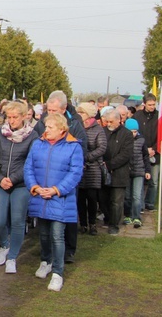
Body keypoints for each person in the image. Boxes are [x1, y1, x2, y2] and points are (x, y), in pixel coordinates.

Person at [24, 113, 83, 292]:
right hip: (40, 196)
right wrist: (35, 187)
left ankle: (58, 272)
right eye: (46, 126)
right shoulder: (37, 144)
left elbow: (75, 173)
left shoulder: (74, 147)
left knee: (57, 235)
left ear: (61, 130)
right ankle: (45, 261)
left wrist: (57, 189)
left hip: (60, 198)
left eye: (50, 127)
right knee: (43, 234)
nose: (46, 130)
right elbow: (28, 167)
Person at [33, 91, 87, 264]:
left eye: (55, 110)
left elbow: (81, 151)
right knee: (45, 217)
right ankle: (47, 252)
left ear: (63, 109)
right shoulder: (42, 124)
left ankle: (68, 250)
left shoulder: (75, 125)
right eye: (49, 110)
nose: (51, 114)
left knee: (67, 216)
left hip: (65, 180)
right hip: (45, 177)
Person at [0, 100, 39, 274]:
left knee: (18, 221)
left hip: (21, 184)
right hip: (0, 183)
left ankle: (12, 257)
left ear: (24, 116)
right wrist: (0, 178)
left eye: (15, 117)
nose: (11, 120)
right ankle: (4, 244)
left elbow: (31, 162)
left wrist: (13, 178)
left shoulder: (32, 136)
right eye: (9, 117)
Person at [101, 109, 134, 235]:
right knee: (103, 199)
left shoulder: (126, 134)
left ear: (118, 120)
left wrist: (110, 164)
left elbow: (126, 154)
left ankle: (114, 224)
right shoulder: (103, 131)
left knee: (116, 201)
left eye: (111, 121)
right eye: (107, 121)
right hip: (104, 172)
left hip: (119, 173)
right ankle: (107, 218)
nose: (108, 124)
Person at [75, 102, 107, 235]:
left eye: (82, 113)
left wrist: (87, 157)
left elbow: (102, 148)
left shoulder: (98, 129)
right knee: (81, 198)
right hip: (80, 168)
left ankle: (92, 223)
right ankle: (83, 224)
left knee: (92, 197)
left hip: (93, 168)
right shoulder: (78, 127)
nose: (79, 115)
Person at [133, 94, 159, 211]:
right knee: (141, 179)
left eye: (154, 104)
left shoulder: (159, 116)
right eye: (150, 105)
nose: (152, 107)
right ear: (144, 104)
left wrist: (154, 148)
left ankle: (150, 203)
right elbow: (134, 133)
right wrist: (145, 149)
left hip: (155, 152)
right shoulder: (137, 116)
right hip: (140, 152)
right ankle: (140, 204)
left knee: (154, 180)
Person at [123, 118, 150, 228]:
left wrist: (147, 171)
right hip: (127, 171)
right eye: (131, 132)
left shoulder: (141, 140)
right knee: (127, 195)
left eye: (135, 131)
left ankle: (137, 217)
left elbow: (145, 156)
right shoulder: (124, 140)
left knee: (137, 195)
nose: (133, 134)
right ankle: (128, 215)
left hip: (139, 170)